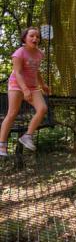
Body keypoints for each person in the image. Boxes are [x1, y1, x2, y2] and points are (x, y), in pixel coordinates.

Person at [0, 27, 50, 157]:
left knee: (42, 108)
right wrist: (25, 90)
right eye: (32, 36)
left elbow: (36, 71)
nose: (35, 39)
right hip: (16, 85)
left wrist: (42, 84)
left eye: (37, 37)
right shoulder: (19, 53)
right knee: (12, 113)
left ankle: (27, 136)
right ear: (24, 38)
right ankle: (2, 145)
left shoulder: (40, 54)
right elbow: (18, 72)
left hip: (33, 86)